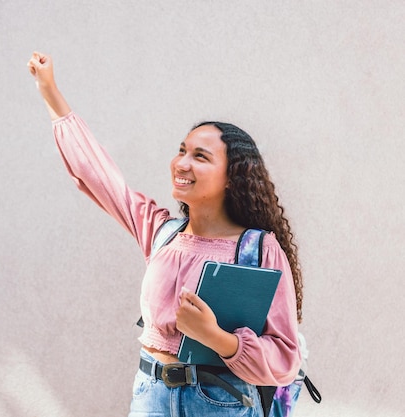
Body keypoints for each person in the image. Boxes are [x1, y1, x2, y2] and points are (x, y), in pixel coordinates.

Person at [27, 51, 303, 417]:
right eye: (181, 151)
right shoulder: (162, 233)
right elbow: (96, 174)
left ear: (232, 177)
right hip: (150, 397)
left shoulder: (258, 249)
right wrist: (50, 91)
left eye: (201, 157)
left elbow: (285, 358)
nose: (182, 163)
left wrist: (216, 337)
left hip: (220, 403)